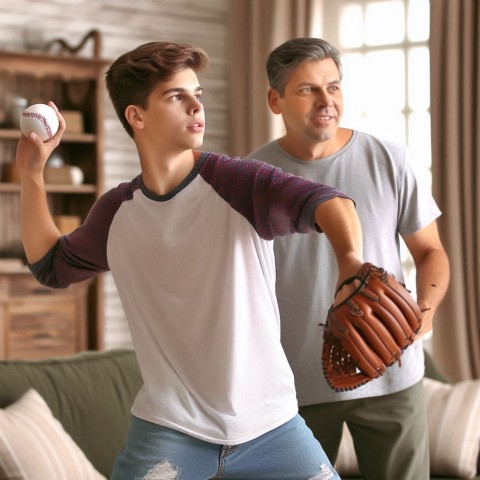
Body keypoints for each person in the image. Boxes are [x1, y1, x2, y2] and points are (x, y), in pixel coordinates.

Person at [15, 41, 368, 480]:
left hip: (272, 427)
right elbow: (50, 263)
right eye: (176, 96)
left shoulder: (238, 183)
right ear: (136, 116)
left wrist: (350, 262)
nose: (195, 107)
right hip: (169, 431)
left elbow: (330, 203)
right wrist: (31, 174)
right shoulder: (116, 213)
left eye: (197, 95)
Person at [248, 37, 450, 480]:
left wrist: (426, 311)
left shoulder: (389, 159)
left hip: (392, 378)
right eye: (308, 90)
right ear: (274, 100)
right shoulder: (251, 180)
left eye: (333, 87)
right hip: (290, 387)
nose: (326, 101)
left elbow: (431, 251)